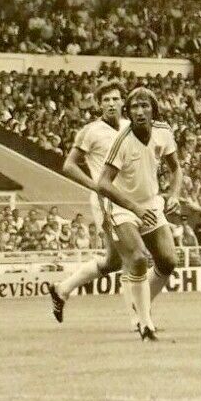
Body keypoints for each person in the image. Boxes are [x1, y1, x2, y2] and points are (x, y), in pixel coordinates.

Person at [96, 87, 182, 341]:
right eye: (134, 107)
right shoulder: (121, 141)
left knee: (168, 261)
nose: (140, 111)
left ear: (153, 110)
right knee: (138, 258)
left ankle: (139, 305)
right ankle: (145, 325)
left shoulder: (164, 132)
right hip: (122, 206)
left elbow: (176, 169)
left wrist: (174, 194)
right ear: (128, 112)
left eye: (145, 106)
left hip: (150, 203)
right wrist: (134, 208)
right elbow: (103, 183)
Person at [47, 82, 127, 323]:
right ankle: (141, 319)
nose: (111, 104)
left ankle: (62, 290)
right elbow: (68, 165)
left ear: (123, 101)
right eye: (106, 100)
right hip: (107, 201)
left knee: (114, 261)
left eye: (115, 99)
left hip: (131, 198)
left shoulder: (130, 127)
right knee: (135, 255)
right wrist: (95, 185)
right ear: (99, 104)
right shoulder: (90, 131)